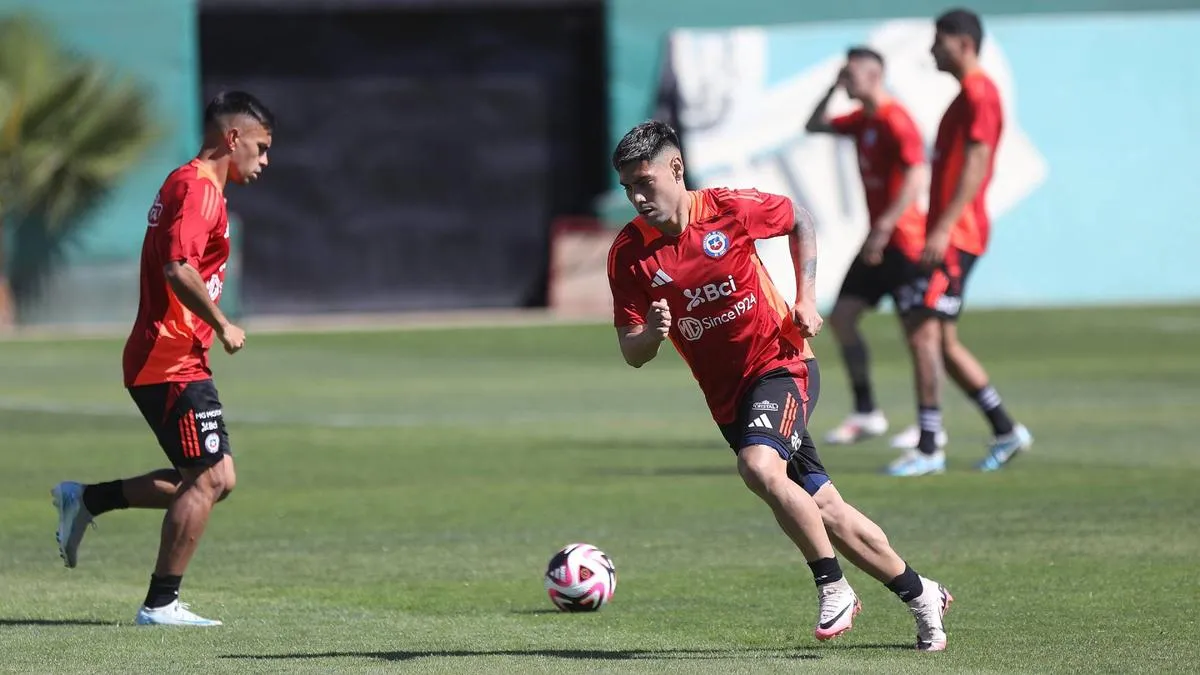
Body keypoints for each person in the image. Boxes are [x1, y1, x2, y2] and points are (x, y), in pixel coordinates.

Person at [606, 120, 952, 650]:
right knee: (827, 510)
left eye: (644, 182)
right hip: (729, 399)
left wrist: (806, 297)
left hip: (782, 365)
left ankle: (833, 586)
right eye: (628, 186)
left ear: (676, 168)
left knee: (758, 467)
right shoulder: (629, 253)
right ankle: (921, 593)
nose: (636, 197)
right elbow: (632, 352)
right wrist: (650, 334)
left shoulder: (727, 208)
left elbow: (798, 219)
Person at [50, 91, 274, 626]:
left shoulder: (194, 185)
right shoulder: (198, 189)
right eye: (262, 147)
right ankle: (159, 604)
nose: (265, 160)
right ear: (233, 138)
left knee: (217, 478)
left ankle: (88, 499)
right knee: (209, 479)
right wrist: (222, 323)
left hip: (174, 355)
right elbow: (177, 267)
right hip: (169, 357)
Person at [881, 8, 1033, 476]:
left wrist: (944, 227)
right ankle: (1005, 430)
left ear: (964, 43)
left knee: (922, 331)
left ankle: (929, 447)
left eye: (939, 40)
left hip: (958, 234)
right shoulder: (964, 97)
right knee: (942, 340)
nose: (932, 49)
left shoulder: (980, 93)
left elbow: (978, 163)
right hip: (953, 231)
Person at [804, 46, 947, 452]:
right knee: (843, 318)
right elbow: (814, 125)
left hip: (904, 243)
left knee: (919, 335)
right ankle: (866, 411)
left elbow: (917, 174)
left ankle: (931, 425)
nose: (845, 80)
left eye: (849, 74)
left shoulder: (894, 119)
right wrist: (832, 89)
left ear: (873, 76)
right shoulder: (862, 120)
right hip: (878, 242)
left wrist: (884, 225)